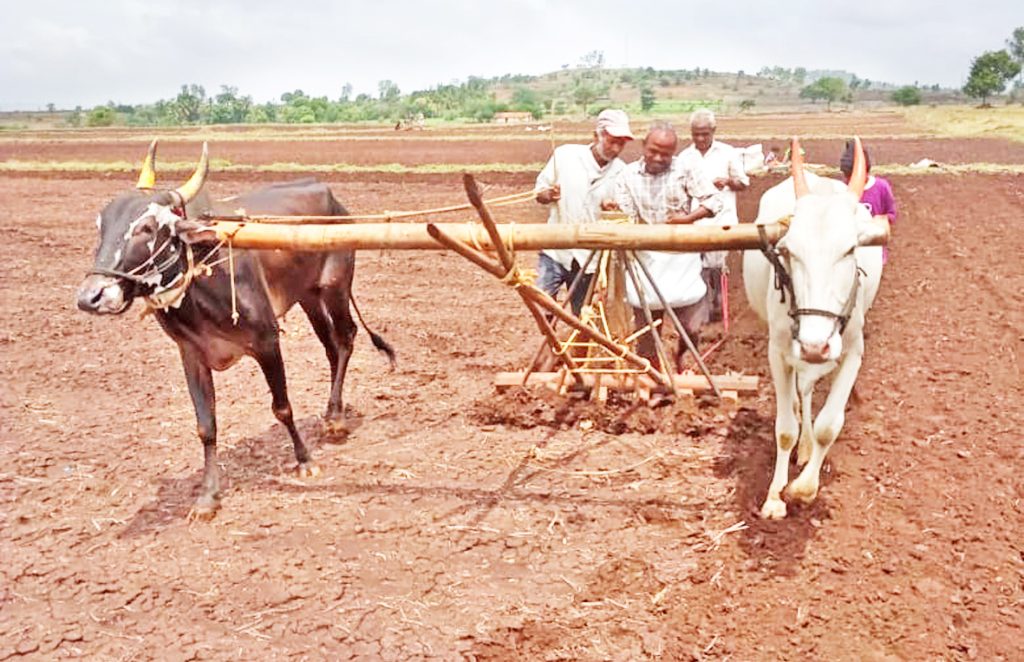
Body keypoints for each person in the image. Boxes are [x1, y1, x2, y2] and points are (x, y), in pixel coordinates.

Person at [614, 121, 723, 372]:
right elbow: (627, 216)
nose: (658, 157)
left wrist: (688, 219)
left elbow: (714, 200)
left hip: (682, 256)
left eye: (665, 153)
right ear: (644, 146)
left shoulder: (685, 169)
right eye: (653, 151)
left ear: (674, 152)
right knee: (647, 328)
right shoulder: (627, 176)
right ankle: (654, 377)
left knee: (691, 327)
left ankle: (683, 362)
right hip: (646, 258)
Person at [534, 109, 634, 315]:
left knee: (583, 316)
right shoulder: (565, 156)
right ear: (596, 135)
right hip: (555, 249)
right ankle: (553, 345)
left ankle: (577, 346)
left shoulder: (623, 173)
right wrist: (548, 194)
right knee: (542, 308)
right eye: (611, 141)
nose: (616, 148)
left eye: (621, 143)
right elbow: (539, 193)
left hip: (589, 258)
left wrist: (612, 211)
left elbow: (624, 215)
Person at [678, 108, 749, 322]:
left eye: (705, 134)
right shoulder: (684, 157)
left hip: (722, 220)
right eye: (696, 134)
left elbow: (744, 183)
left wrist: (728, 182)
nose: (700, 138)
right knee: (698, 267)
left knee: (717, 266)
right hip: (696, 220)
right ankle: (704, 305)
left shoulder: (728, 153)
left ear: (713, 131)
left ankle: (718, 301)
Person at [839, 139, 898, 263]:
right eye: (848, 177)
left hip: (873, 248)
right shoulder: (841, 190)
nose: (852, 181)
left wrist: (881, 220)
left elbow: (892, 214)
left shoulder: (881, 187)